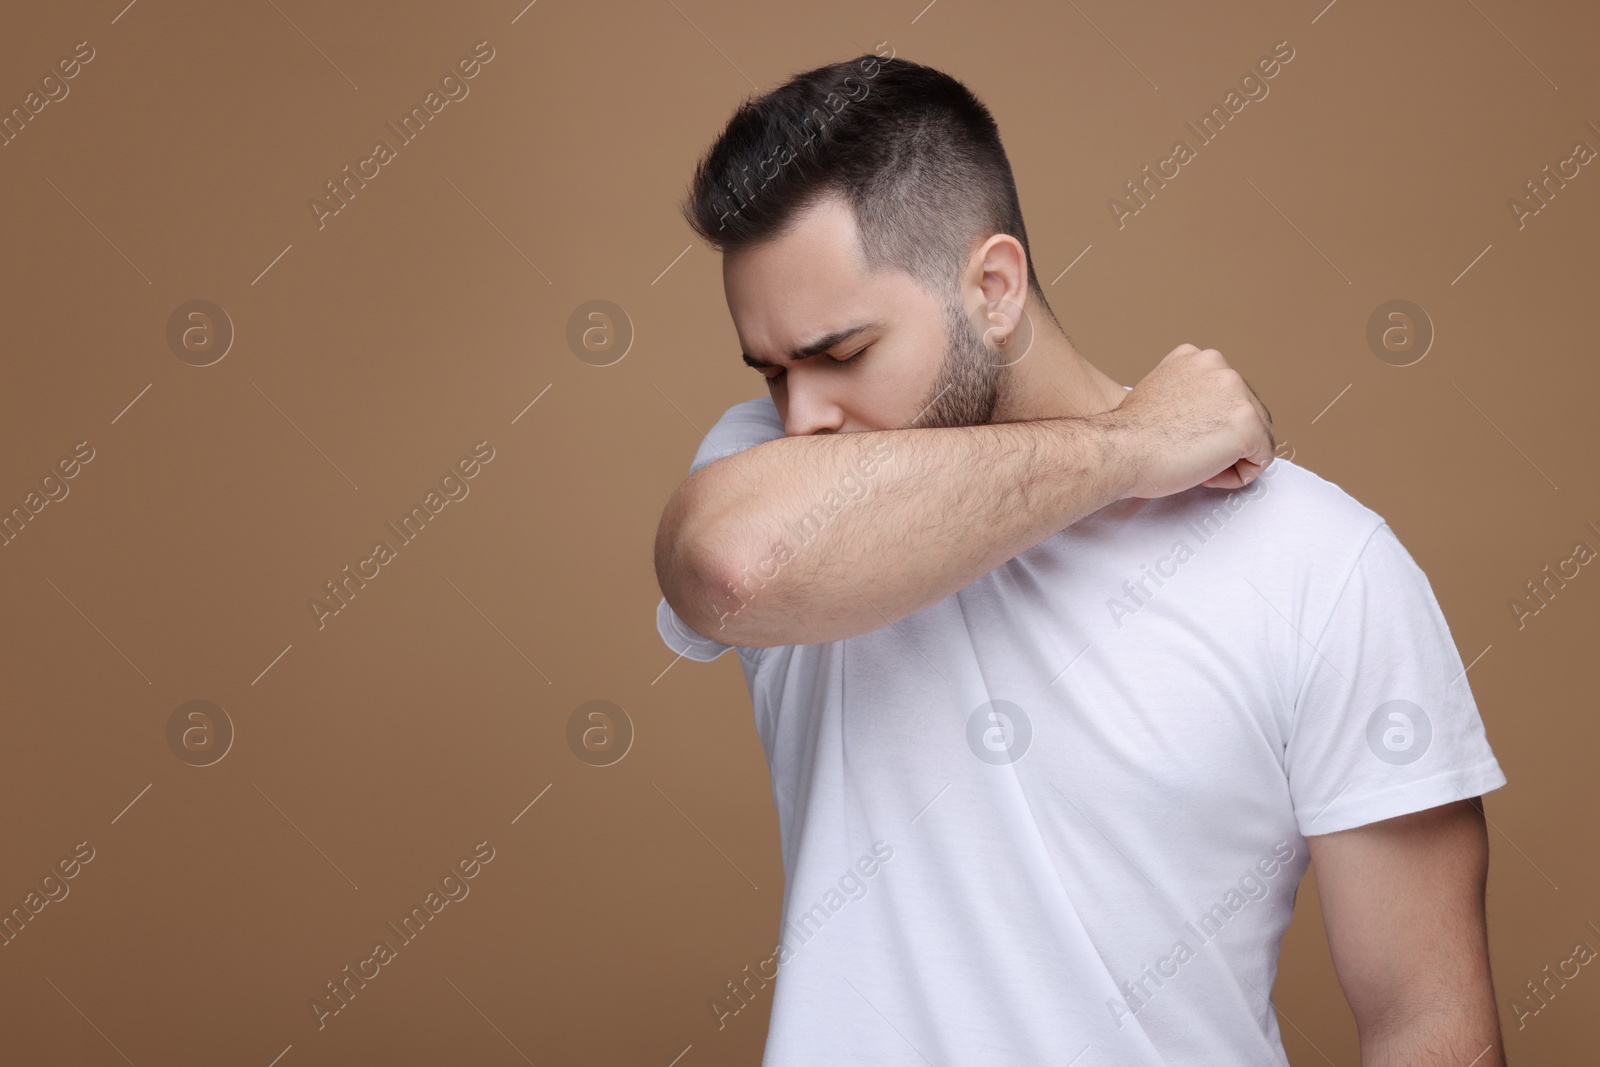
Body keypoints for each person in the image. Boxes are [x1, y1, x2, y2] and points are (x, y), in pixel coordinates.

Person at [653, 52, 1507, 1066]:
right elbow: (734, 568)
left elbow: (1428, 1024)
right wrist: (1130, 450)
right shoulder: (765, 471)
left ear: (994, 286)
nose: (804, 415)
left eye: (841, 355)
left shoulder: (1320, 564)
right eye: (773, 369)